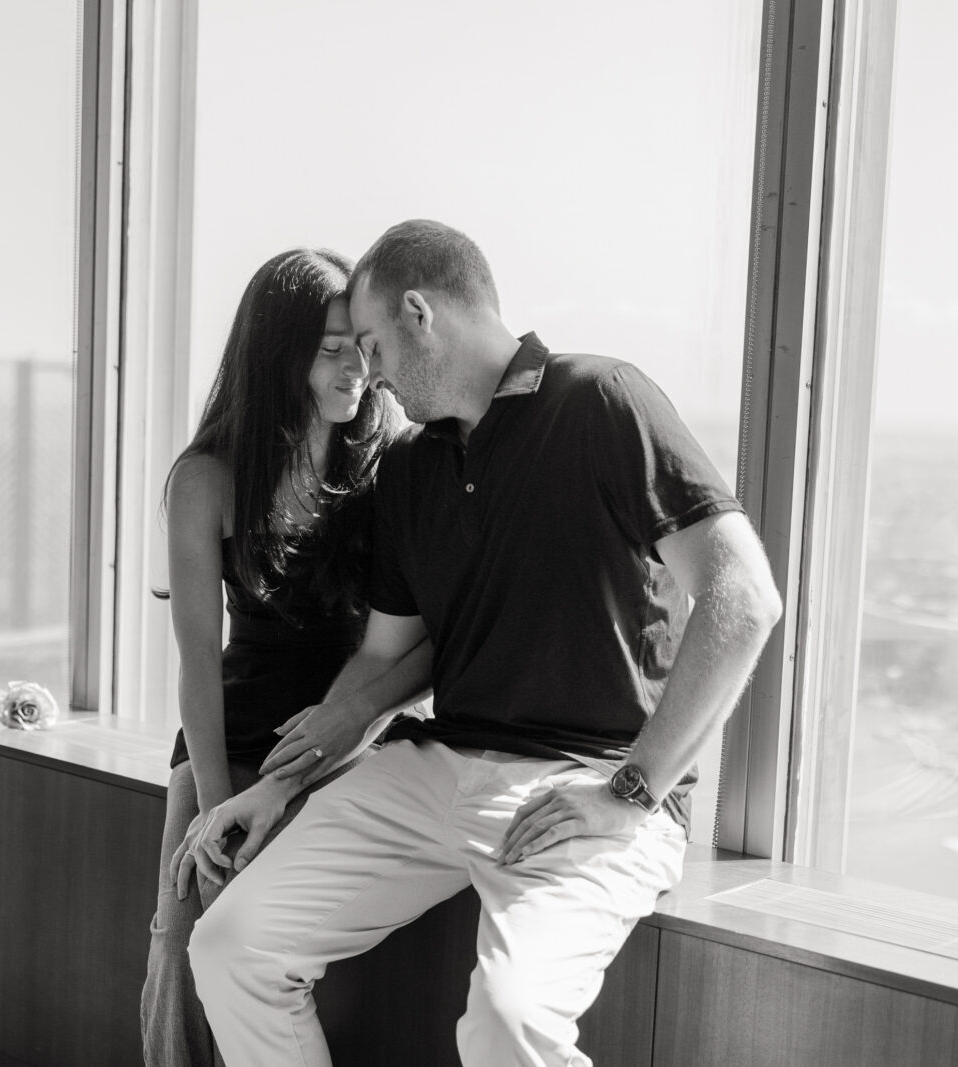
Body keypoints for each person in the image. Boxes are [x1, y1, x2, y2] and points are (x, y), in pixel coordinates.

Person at [179, 220, 783, 1067]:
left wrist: (633, 789)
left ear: (419, 314)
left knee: (507, 1020)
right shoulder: (410, 469)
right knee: (230, 945)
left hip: (587, 778)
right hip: (434, 768)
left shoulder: (603, 399)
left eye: (373, 346)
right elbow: (380, 663)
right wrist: (278, 787)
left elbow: (743, 595)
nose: (370, 374)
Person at [140, 247, 431, 1067]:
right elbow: (198, 663)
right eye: (330, 348)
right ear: (278, 354)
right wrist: (214, 809)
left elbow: (419, 646)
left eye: (361, 347)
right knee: (180, 935)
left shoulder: (390, 466)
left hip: (352, 739)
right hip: (229, 738)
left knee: (260, 950)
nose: (356, 368)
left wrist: (341, 733)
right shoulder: (206, 478)